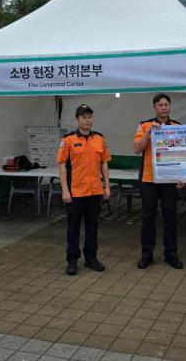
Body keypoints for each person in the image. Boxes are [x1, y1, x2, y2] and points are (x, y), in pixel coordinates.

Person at [57, 104, 111, 276]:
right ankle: (72, 260)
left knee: (92, 227)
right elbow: (62, 165)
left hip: (95, 192)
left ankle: (91, 258)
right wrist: (65, 190)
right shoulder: (68, 139)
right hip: (75, 192)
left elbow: (104, 163)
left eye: (90, 117)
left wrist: (107, 186)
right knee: (73, 228)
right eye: (84, 117)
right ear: (77, 119)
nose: (88, 120)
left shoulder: (99, 138)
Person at [134, 93, 184, 269]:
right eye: (160, 105)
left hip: (170, 180)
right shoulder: (144, 125)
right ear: (154, 107)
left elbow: (183, 154)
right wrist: (149, 132)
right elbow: (137, 149)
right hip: (149, 179)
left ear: (170, 106)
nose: (164, 107)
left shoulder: (177, 127)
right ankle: (147, 254)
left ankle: (171, 254)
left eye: (166, 104)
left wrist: (182, 177)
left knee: (170, 217)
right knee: (148, 217)